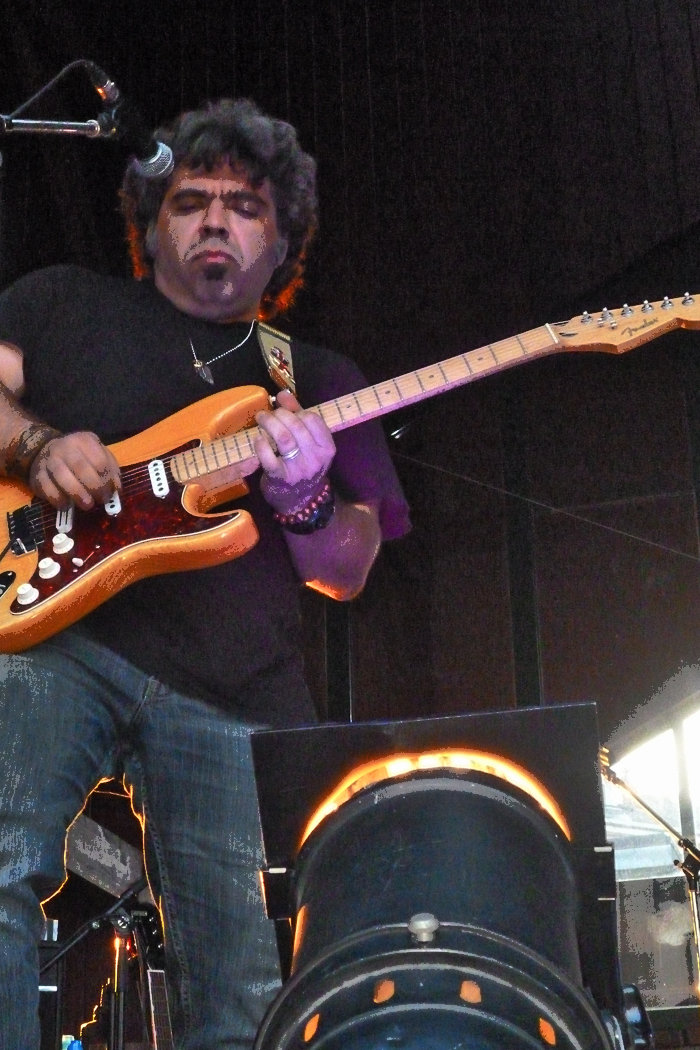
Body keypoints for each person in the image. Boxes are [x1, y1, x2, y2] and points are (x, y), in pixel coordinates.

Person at [0, 98, 410, 1050]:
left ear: (282, 241)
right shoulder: (63, 301)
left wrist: (306, 500)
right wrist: (38, 445)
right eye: (190, 201)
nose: (215, 219)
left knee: (247, 981)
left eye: (245, 205)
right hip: (51, 635)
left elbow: (347, 570)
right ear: (152, 226)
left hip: (238, 689)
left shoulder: (316, 377)